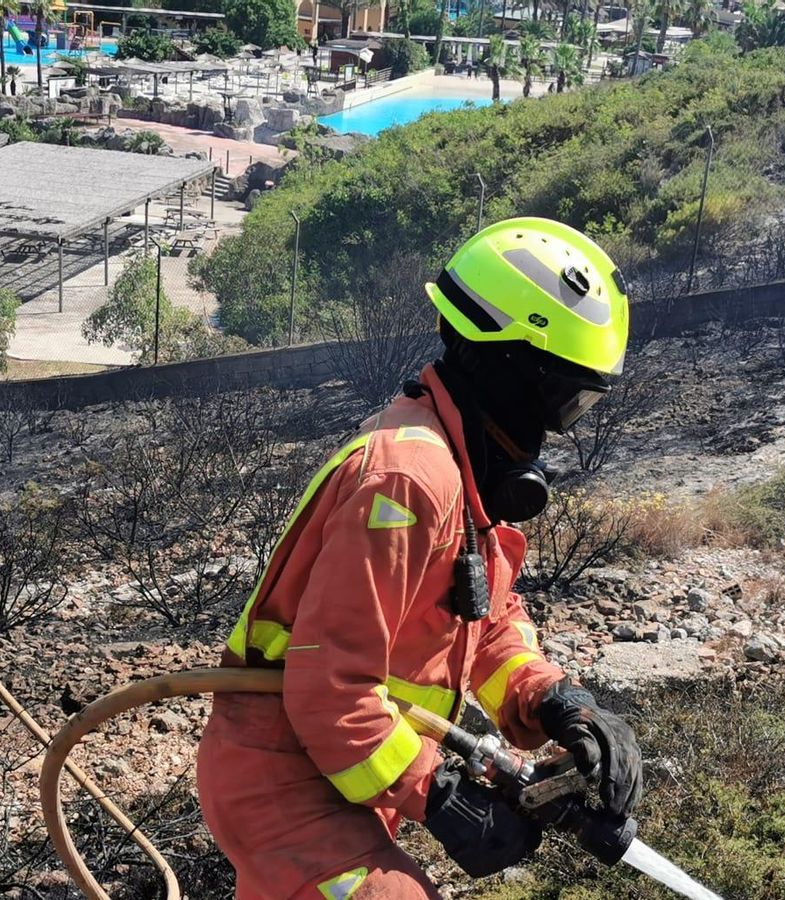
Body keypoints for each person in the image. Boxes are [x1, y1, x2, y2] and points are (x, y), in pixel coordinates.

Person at [196, 218, 644, 898]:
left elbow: (487, 624)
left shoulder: (461, 476)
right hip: (281, 775)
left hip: (340, 769)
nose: (560, 427)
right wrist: (440, 795)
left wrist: (558, 704)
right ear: (512, 370)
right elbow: (329, 688)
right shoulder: (408, 480)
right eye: (567, 399)